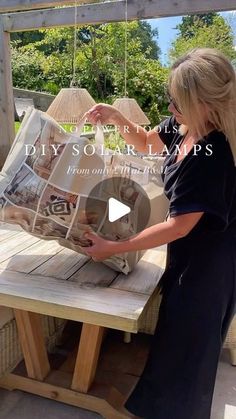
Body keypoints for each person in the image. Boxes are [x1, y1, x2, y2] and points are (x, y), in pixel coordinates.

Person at [83, 48, 236, 419]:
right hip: (188, 252)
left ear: (205, 104)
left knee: (190, 346)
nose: (170, 108)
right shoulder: (184, 126)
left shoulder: (211, 154)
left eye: (177, 102)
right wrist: (117, 116)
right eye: (170, 99)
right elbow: (147, 141)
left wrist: (114, 246)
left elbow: (179, 225)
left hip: (211, 264)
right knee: (174, 337)